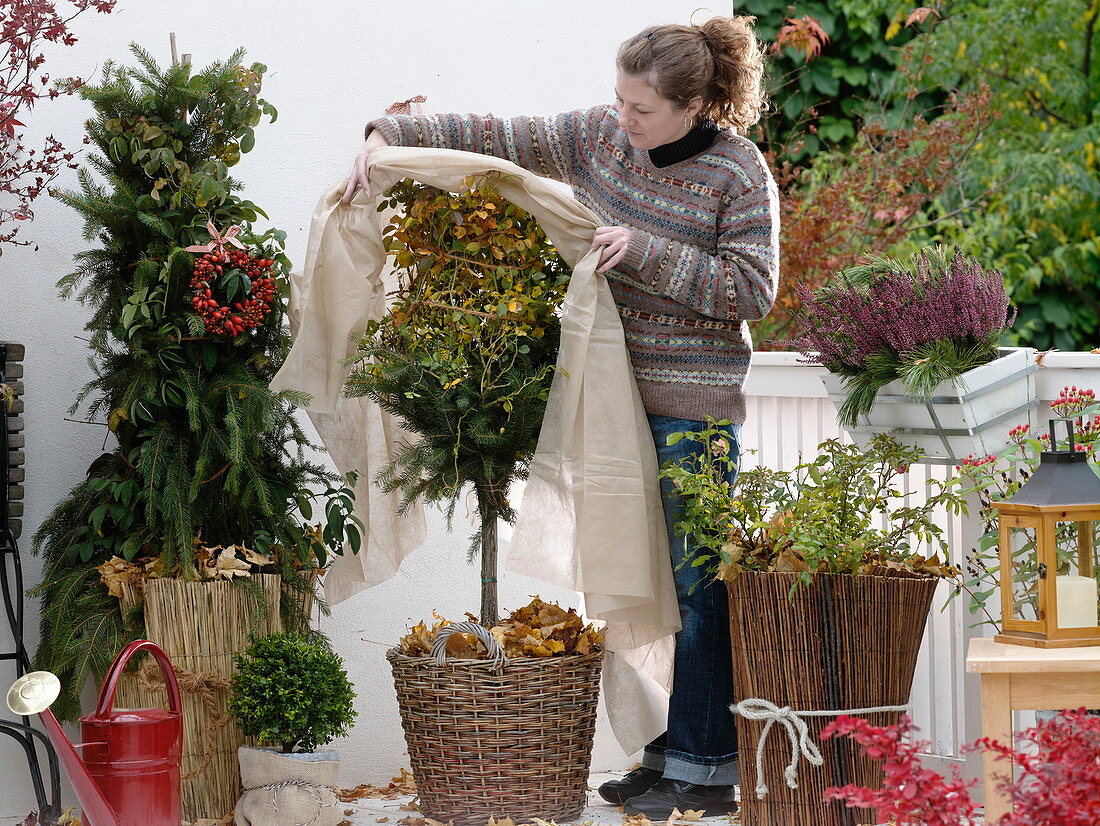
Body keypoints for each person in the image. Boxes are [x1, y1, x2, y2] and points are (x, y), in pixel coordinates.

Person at [343, 16, 778, 820]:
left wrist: (641, 249)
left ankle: (707, 764)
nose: (623, 121)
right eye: (619, 100)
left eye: (641, 110)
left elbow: (752, 290)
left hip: (694, 414)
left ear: (695, 105)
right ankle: (662, 754)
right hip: (607, 408)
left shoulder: (738, 171)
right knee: (635, 584)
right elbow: (498, 135)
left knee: (696, 588)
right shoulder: (596, 139)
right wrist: (383, 133)